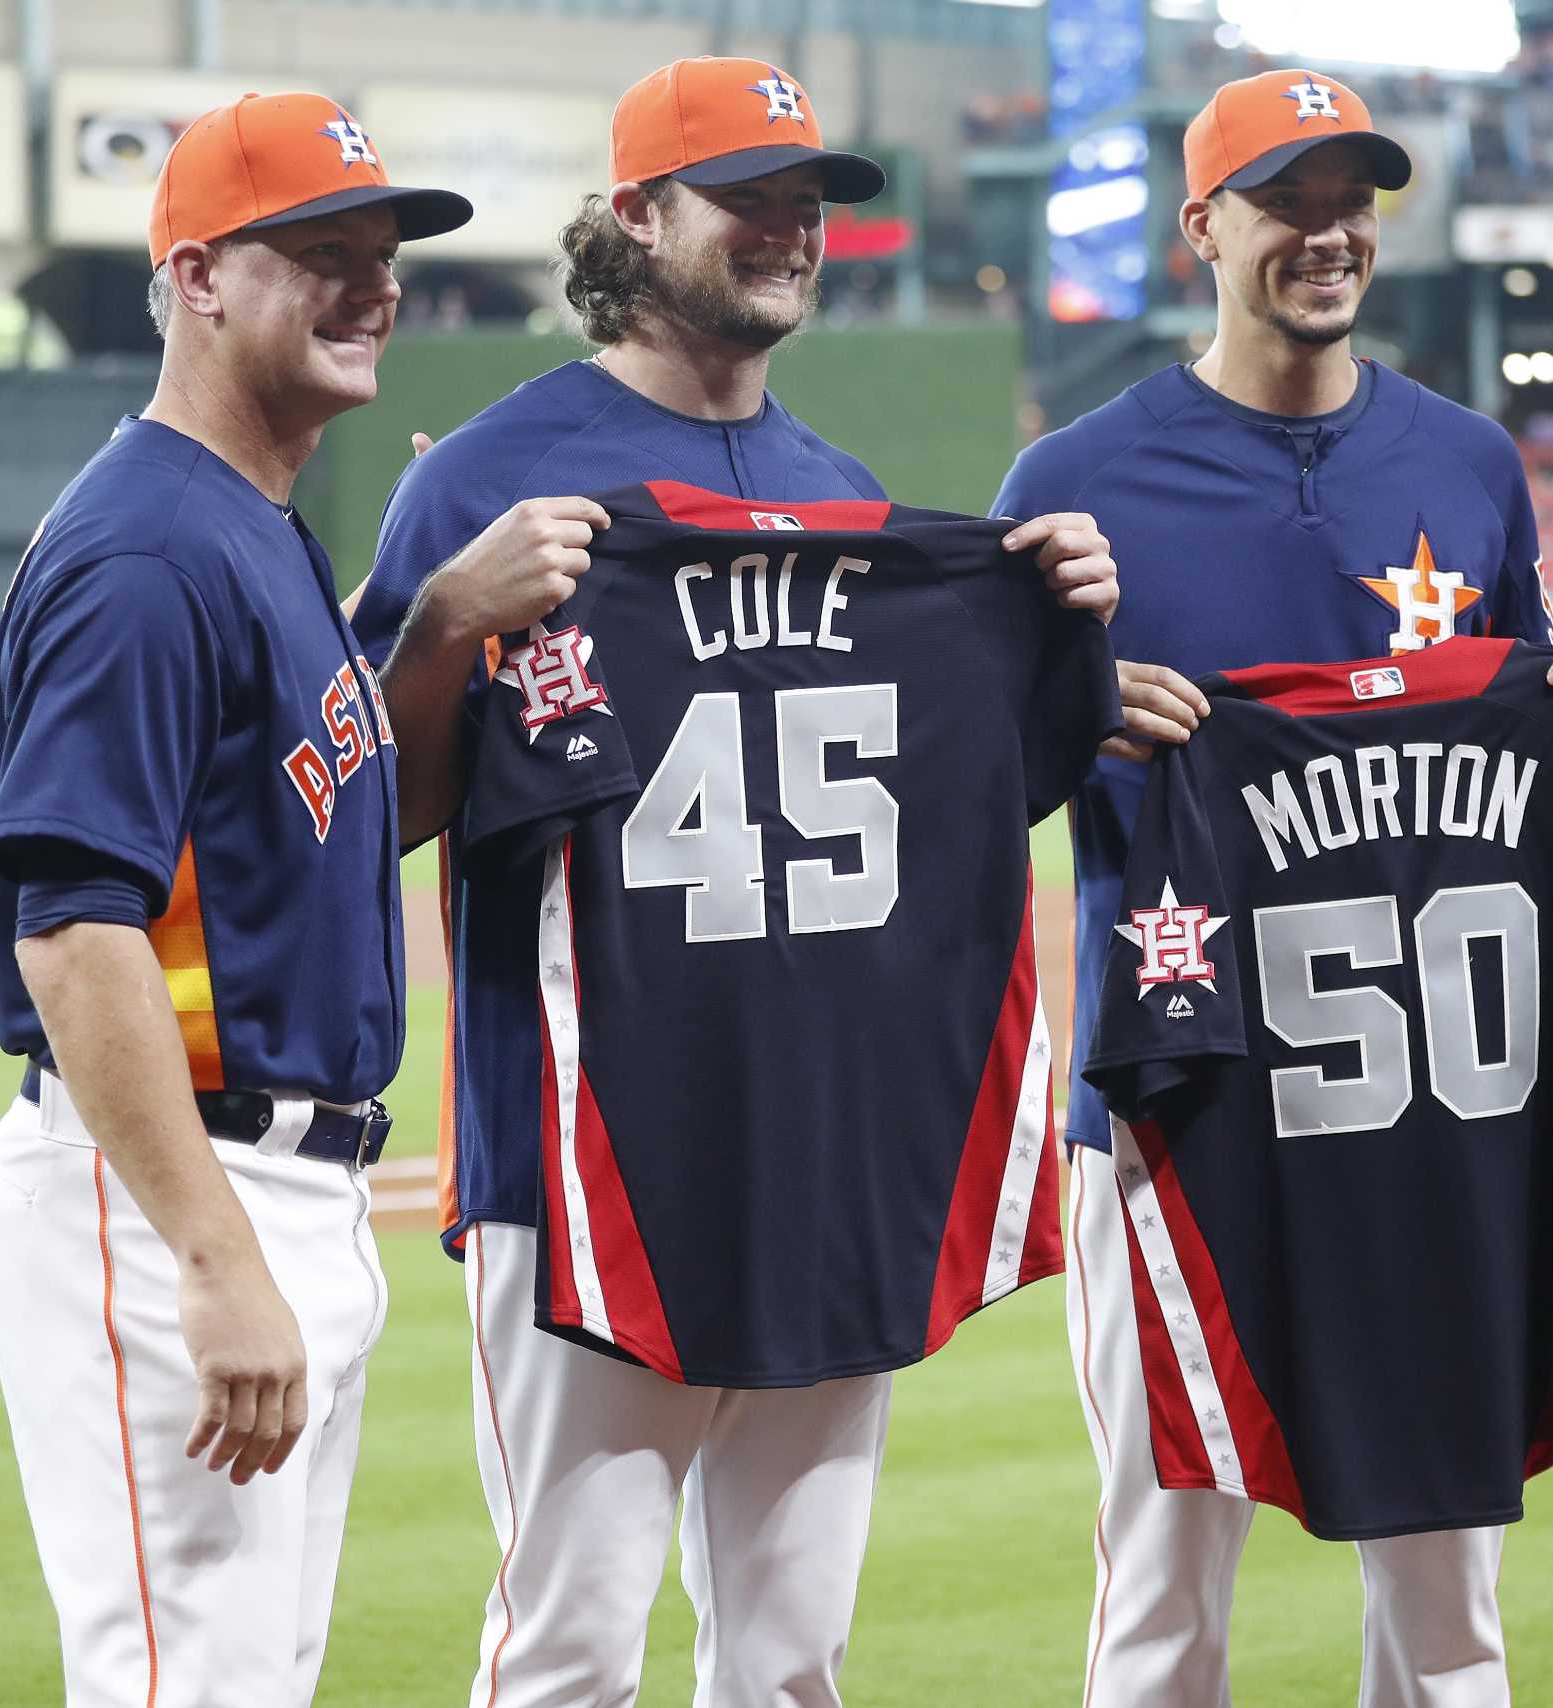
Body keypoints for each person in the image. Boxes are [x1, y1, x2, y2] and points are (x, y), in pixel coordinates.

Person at [351, 55, 1117, 1707]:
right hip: (587, 1160)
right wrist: (442, 628)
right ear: (635, 214)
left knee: (790, 1663)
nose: (790, 230)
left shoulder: (853, 500)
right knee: (570, 1651)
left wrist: (1052, 627)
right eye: (747, 199)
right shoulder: (481, 478)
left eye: (810, 204)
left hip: (827, 1155)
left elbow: (963, 829)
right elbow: (364, 814)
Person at [993, 68, 1553, 1708]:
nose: (1328, 231)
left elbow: (1515, 723)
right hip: (1180, 1102)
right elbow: (978, 796)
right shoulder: (1075, 483)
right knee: (1162, 1597)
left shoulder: (1466, 460)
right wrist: (1069, 714)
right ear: (1201, 226)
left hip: (1431, 1112)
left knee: (1450, 1608)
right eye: (1287, 198)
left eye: (1351, 197)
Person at [0, 93, 473, 1707]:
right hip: (170, 1188)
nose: (369, 288)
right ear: (195, 277)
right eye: (318, 256)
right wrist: (208, 1251)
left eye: (380, 257)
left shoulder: (244, 520)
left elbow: (305, 831)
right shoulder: (144, 553)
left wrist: (441, 631)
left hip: (269, 1182)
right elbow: (71, 927)